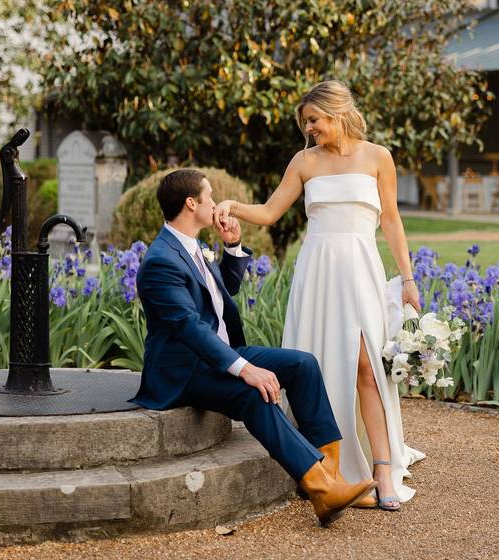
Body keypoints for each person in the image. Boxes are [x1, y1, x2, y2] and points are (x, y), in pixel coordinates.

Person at [214, 80, 425, 511]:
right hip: (318, 272)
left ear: (337, 112)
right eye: (306, 123)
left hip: (361, 269)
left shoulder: (378, 157)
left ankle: (382, 469)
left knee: (367, 366)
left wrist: (407, 278)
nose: (309, 129)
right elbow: (271, 213)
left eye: (314, 120)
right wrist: (233, 207)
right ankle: (327, 469)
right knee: (321, 366)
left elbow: (392, 222)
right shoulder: (304, 162)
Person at [131, 168, 376, 527]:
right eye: (209, 197)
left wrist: (231, 247)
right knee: (252, 393)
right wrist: (245, 368)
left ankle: (329, 476)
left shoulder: (192, 245)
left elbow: (220, 295)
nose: (215, 203)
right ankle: (322, 490)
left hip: (218, 355)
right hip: (185, 370)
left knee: (303, 365)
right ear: (190, 203)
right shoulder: (160, 262)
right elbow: (189, 327)